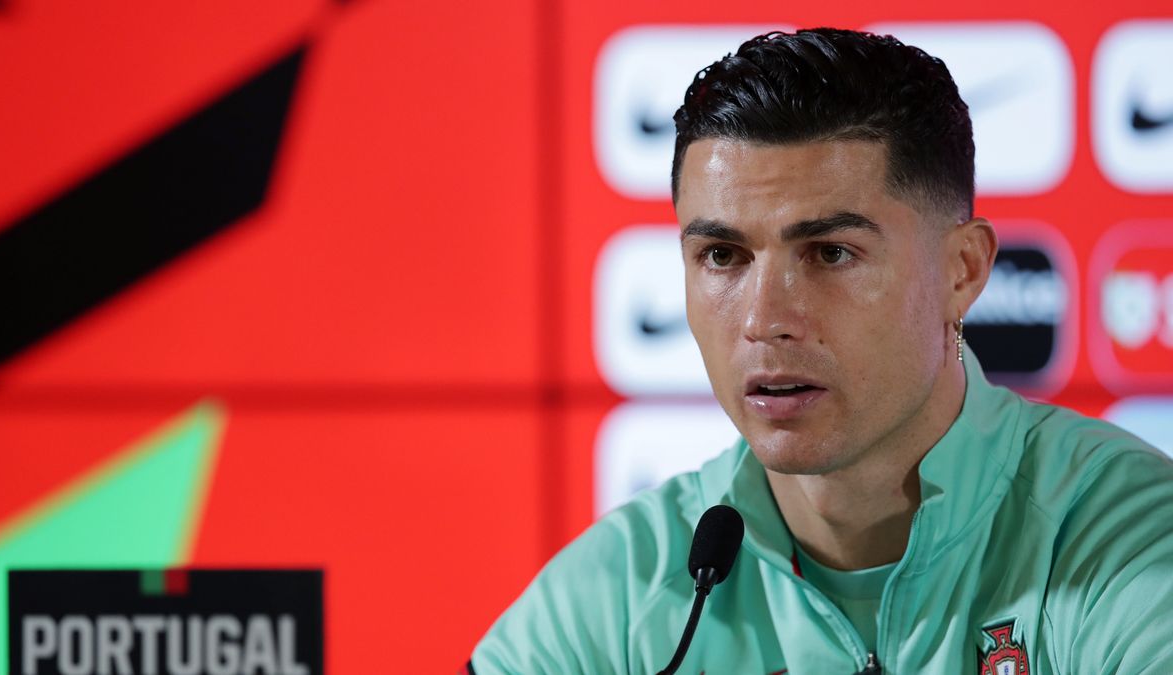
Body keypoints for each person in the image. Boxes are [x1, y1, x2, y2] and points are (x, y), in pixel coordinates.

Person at [466, 28, 1173, 674]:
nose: (765, 318)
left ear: (962, 271)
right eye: (722, 254)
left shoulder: (1128, 536)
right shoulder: (619, 591)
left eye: (831, 252)